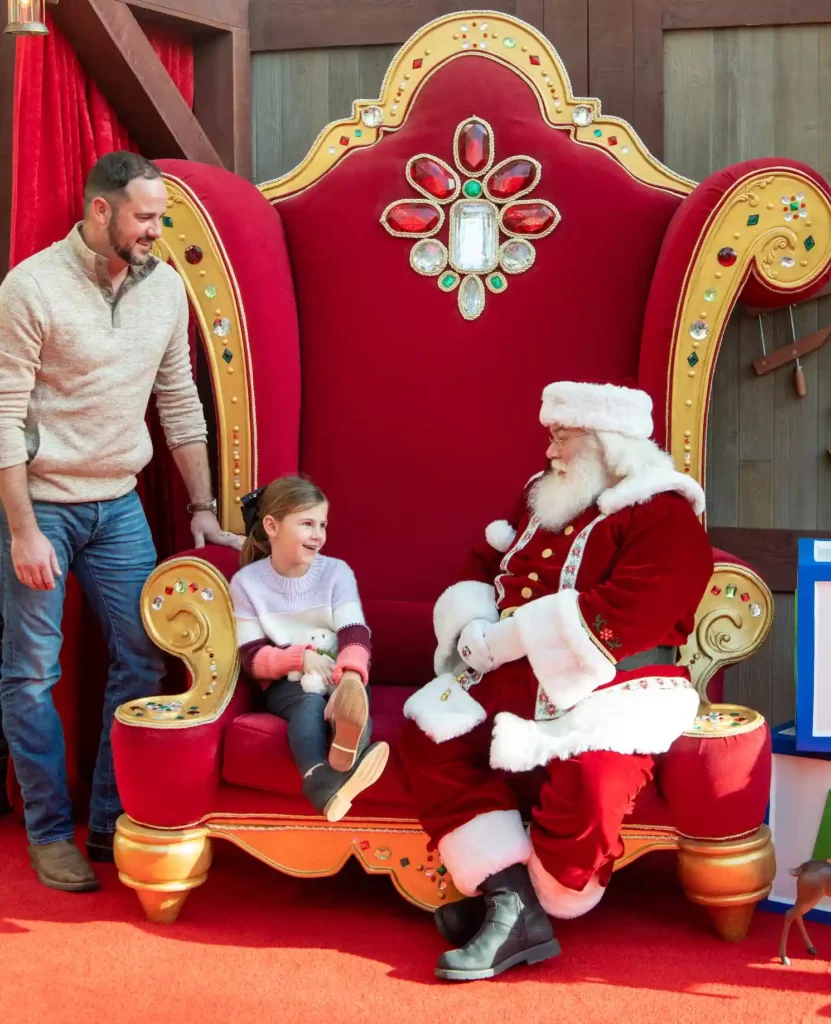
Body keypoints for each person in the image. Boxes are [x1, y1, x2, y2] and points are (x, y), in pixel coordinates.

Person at [400, 379, 714, 982]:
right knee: (429, 736)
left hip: (609, 689)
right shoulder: (544, 494)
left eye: (561, 437)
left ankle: (540, 899)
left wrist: (513, 637)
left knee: (593, 782)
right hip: (506, 677)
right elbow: (484, 564)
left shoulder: (664, 513)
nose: (549, 451)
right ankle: (509, 898)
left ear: (605, 442)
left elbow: (632, 612)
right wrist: (473, 623)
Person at [0, 152, 241, 892]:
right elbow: (3, 415)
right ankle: (49, 834)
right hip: (42, 503)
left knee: (142, 660)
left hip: (119, 504)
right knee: (32, 672)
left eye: (160, 216)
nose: (156, 230)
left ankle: (109, 821)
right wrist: (22, 531)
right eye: (144, 216)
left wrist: (202, 507)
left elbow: (179, 400)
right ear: (100, 210)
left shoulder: (164, 288)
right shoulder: (31, 287)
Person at [230, 475, 388, 822]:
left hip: (339, 671)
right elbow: (251, 656)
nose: (318, 534)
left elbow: (354, 630)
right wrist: (299, 657)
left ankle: (333, 774)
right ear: (272, 526)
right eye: (307, 524)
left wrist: (350, 675)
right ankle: (319, 777)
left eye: (323, 525)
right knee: (308, 704)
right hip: (287, 681)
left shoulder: (336, 572)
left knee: (353, 702)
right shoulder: (246, 583)